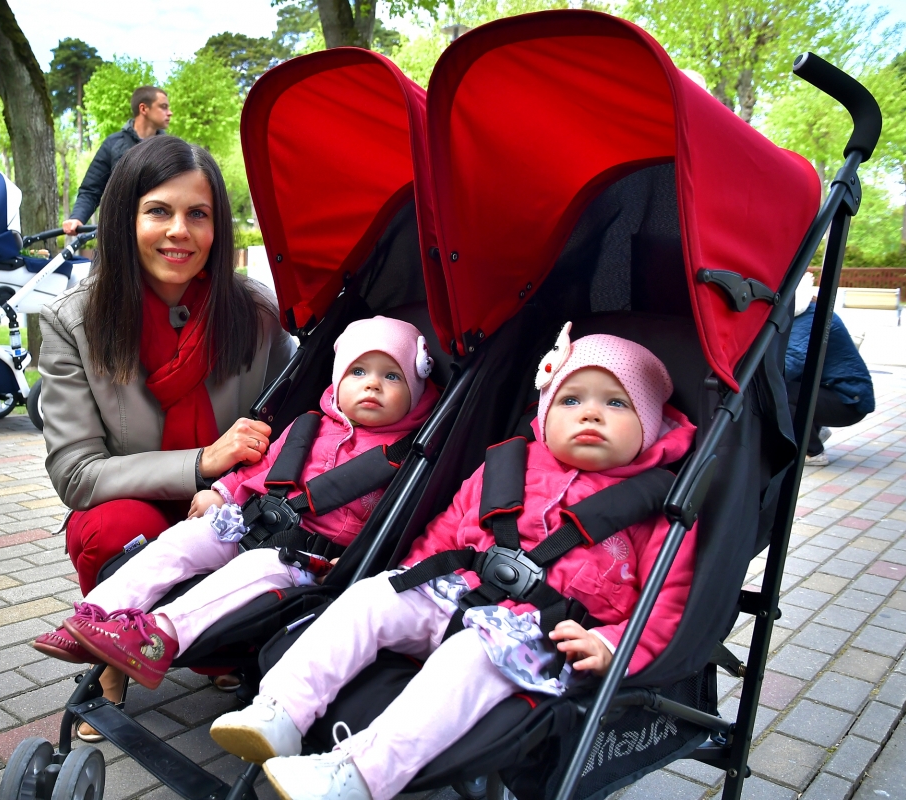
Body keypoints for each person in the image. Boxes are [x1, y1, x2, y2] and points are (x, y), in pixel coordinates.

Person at [205, 327, 699, 800]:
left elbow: (667, 604)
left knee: (470, 654)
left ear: (650, 424)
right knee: (372, 597)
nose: (591, 414)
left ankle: (358, 774)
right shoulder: (508, 465)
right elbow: (446, 530)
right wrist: (411, 574)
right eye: (571, 401)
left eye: (616, 403)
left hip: (538, 636)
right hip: (457, 591)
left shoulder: (659, 508)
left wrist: (612, 645)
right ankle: (282, 710)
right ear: (546, 414)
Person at [38, 134, 295, 735]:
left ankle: (211, 646)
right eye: (158, 211)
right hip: (139, 504)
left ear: (217, 227)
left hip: (234, 503)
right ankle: (111, 653)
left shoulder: (257, 314)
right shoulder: (74, 321)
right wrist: (200, 463)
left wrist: (229, 486)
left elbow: (292, 425)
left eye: (198, 214)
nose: (180, 231)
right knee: (110, 528)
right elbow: (76, 473)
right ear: (125, 220)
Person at [35, 316, 440, 691]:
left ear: (416, 390)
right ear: (337, 381)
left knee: (254, 568)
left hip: (309, 559)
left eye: (392, 376)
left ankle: (157, 635)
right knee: (187, 538)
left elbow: (402, 522)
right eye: (358, 372)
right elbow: (262, 467)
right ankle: (96, 615)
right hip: (251, 522)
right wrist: (222, 491)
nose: (372, 385)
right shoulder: (309, 426)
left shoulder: (406, 456)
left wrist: (359, 560)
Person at [785, 273, 875, 466]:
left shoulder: (808, 317)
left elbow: (791, 363)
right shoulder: (809, 311)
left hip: (848, 400)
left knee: (776, 392)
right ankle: (815, 431)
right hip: (839, 393)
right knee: (783, 386)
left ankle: (813, 452)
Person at [62, 86, 173, 235]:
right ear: (143, 108)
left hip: (160, 232)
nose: (169, 112)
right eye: (163, 107)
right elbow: (91, 189)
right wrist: (77, 217)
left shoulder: (170, 148)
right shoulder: (113, 144)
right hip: (120, 234)